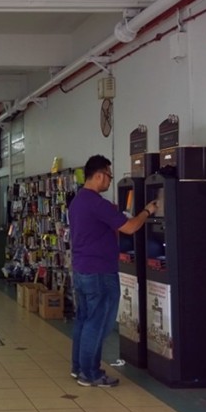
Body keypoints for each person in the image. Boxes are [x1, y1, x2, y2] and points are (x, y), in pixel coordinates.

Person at [68, 155, 157, 387]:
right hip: (100, 272)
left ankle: (78, 368)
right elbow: (129, 227)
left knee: (84, 320)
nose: (109, 180)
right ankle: (90, 373)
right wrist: (147, 211)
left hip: (81, 270)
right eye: (109, 175)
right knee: (98, 323)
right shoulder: (97, 203)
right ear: (98, 175)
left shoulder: (77, 201)